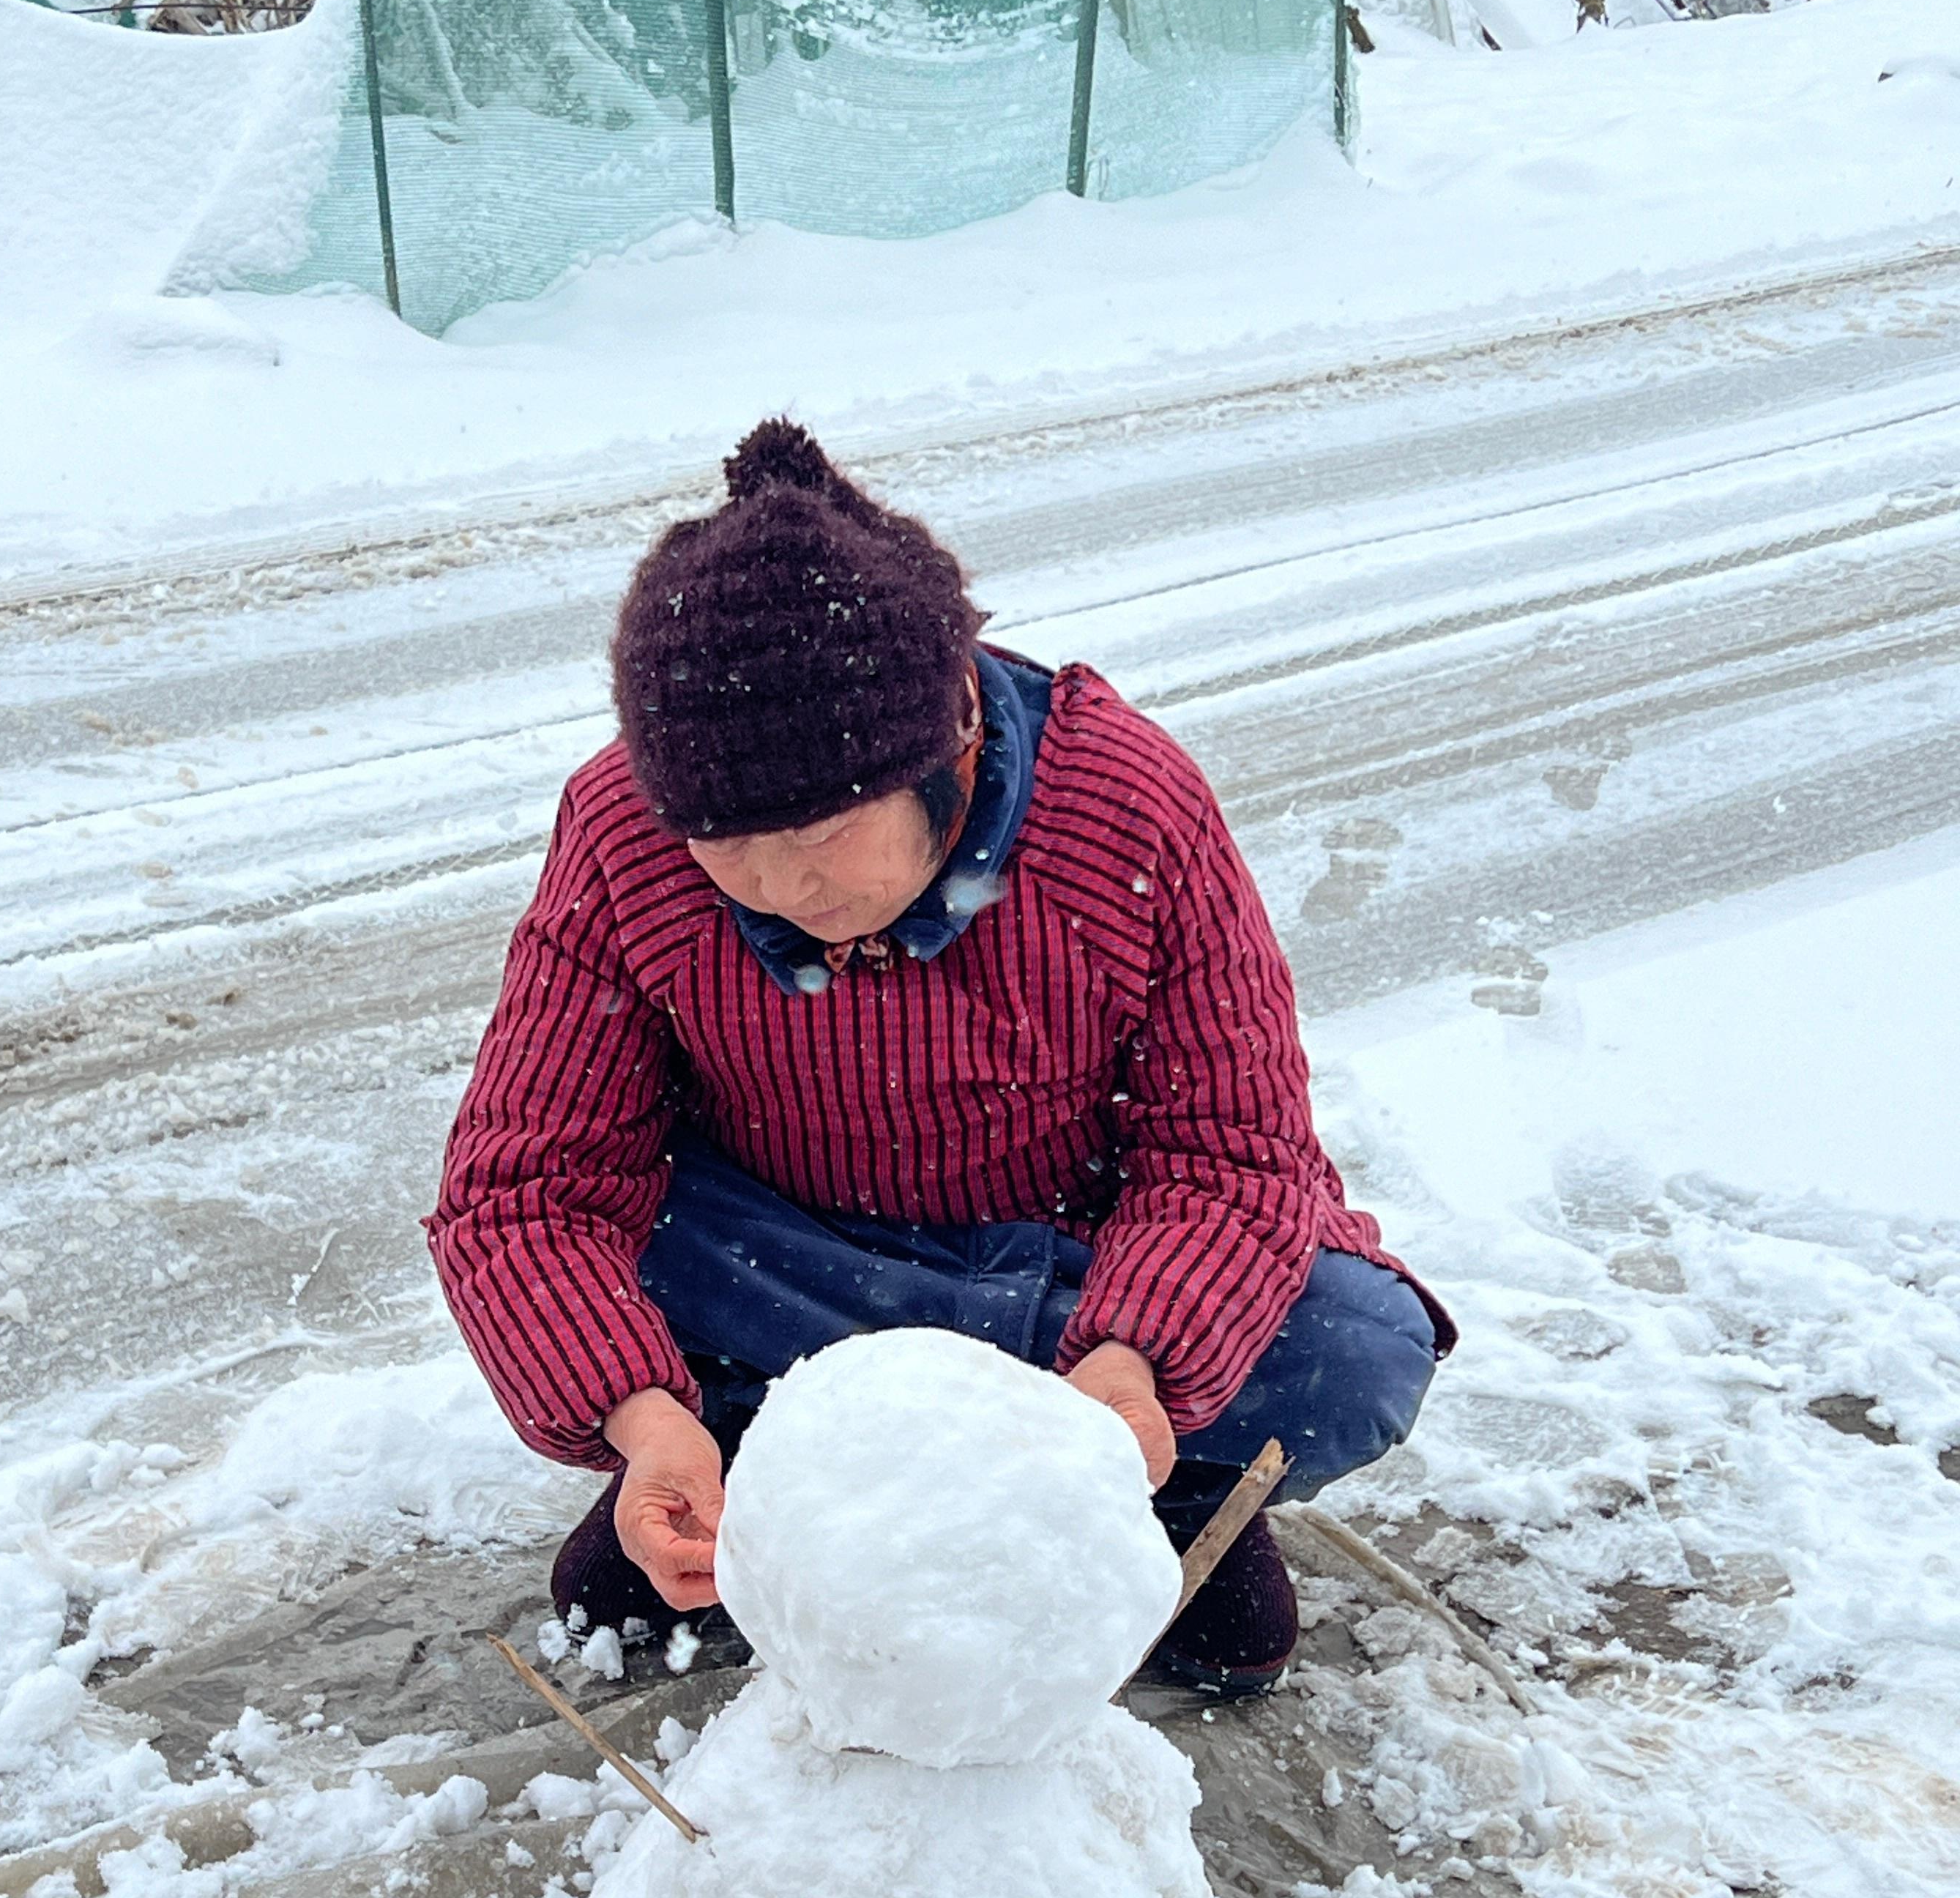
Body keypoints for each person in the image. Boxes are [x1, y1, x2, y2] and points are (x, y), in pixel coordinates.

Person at [428, 420, 1450, 1696]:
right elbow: (528, 1187)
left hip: (1070, 1284)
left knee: (1350, 1348)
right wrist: (645, 1423)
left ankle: (1146, 1495)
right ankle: (751, 1465)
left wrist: (1130, 1372)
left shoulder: (1126, 803)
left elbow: (1229, 1148)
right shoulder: (620, 832)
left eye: (817, 833)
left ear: (950, 742)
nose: (774, 884)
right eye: (723, 843)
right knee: (605, 1306)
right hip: (788, 1271)